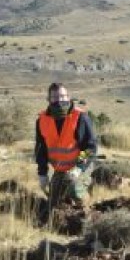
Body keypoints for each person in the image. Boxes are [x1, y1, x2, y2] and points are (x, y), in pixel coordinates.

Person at [35, 83, 97, 218]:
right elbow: (41, 149)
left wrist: (79, 168)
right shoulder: (42, 120)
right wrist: (42, 174)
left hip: (81, 167)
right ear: (49, 99)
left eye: (63, 96)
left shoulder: (80, 117)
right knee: (53, 204)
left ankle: (88, 211)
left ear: (68, 97)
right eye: (55, 97)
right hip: (60, 169)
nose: (60, 100)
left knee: (75, 190)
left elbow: (91, 147)